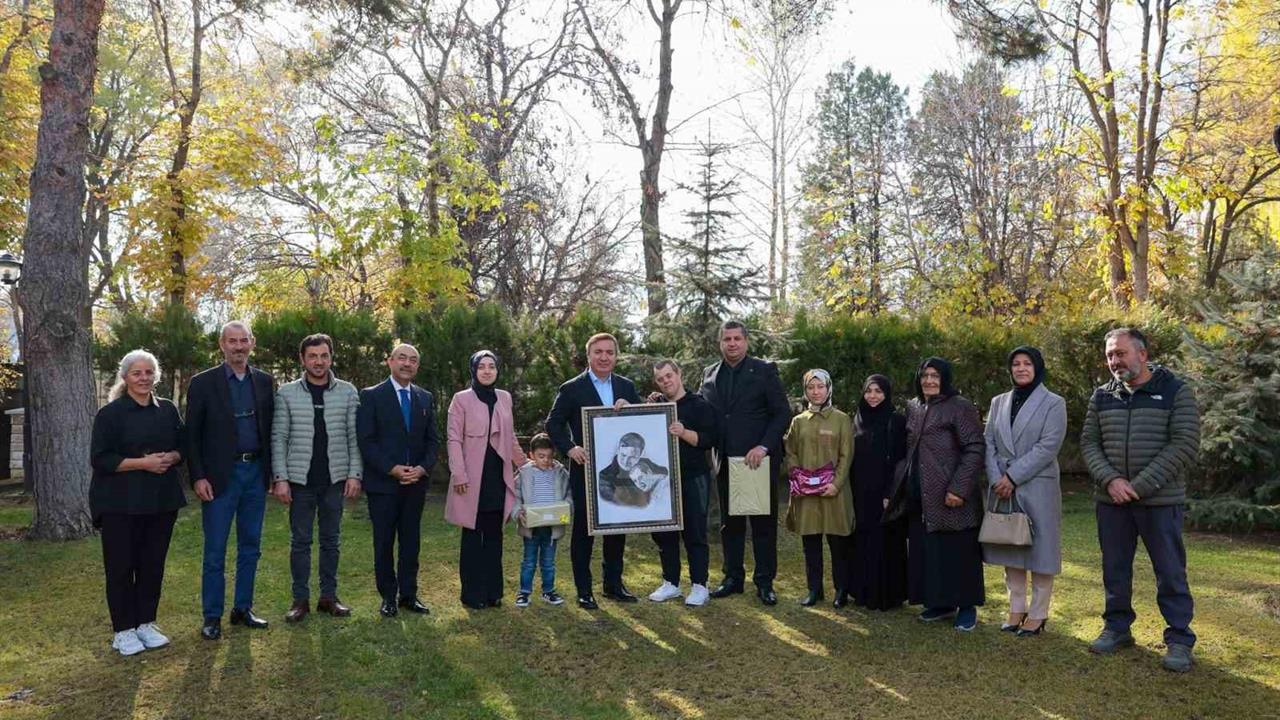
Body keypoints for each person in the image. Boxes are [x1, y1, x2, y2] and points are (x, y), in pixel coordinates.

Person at [1081, 328, 1200, 672]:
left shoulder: (1175, 391)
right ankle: (1117, 628)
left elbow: (1184, 444)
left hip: (1160, 502)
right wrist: (1111, 480)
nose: (1114, 361)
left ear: (1142, 354)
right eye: (1110, 355)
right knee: (1114, 569)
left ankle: (1179, 639)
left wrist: (1138, 486)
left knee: (1170, 571)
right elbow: (1089, 443)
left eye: (1120, 353)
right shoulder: (1102, 396)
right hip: (1112, 501)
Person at [90, 350, 186, 656]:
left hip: (161, 502)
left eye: (148, 372)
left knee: (152, 565)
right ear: (125, 377)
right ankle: (123, 631)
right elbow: (101, 459)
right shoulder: (110, 414)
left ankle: (145, 623)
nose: (143, 378)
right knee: (121, 567)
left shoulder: (167, 410)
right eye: (137, 373)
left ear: (156, 376)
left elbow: (183, 447)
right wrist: (143, 463)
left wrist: (171, 457)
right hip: (120, 504)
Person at [186, 320, 275, 640]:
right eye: (232, 341)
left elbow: (271, 429)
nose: (238, 346)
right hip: (220, 477)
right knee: (215, 550)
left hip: (255, 473)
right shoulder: (202, 383)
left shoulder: (264, 381)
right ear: (222, 345)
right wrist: (198, 476)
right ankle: (212, 616)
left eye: (243, 340)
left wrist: (272, 474)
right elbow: (192, 435)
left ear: (252, 343)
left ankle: (243, 608)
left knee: (251, 546)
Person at [545, 332, 643, 609]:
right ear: (588, 355)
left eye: (609, 352)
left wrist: (632, 408)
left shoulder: (626, 386)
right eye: (598, 352)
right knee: (584, 531)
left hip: (619, 472)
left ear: (616, 356)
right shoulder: (572, 388)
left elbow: (641, 422)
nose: (604, 357)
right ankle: (584, 590)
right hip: (585, 469)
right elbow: (553, 424)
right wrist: (570, 448)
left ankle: (613, 585)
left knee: (617, 527)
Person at [271, 333, 362, 622]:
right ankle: (300, 600)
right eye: (312, 356)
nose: (319, 361)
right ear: (303, 359)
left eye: (324, 356)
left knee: (331, 541)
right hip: (300, 482)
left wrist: (354, 474)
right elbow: (278, 438)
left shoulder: (348, 392)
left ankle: (329, 597)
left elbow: (354, 437)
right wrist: (280, 478)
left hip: (335, 480)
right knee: (300, 542)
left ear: (331, 357)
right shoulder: (286, 393)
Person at [889, 357, 986, 631]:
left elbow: (975, 447)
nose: (929, 380)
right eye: (924, 375)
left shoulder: (959, 406)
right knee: (931, 552)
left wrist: (958, 488)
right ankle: (941, 603)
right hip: (921, 494)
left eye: (935, 375)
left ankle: (966, 607)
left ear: (945, 379)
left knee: (959, 551)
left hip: (952, 494)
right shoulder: (914, 406)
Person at [700, 320, 791, 606]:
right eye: (727, 339)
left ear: (746, 341)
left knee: (762, 525)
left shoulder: (764, 371)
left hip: (756, 462)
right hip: (725, 461)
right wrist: (662, 399)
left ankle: (764, 582)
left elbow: (782, 413)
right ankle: (733, 578)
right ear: (720, 343)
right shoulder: (709, 374)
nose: (732, 343)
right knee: (730, 525)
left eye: (737, 338)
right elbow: (699, 410)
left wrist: (764, 446)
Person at [983, 347, 1067, 637]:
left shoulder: (1054, 403)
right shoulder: (998, 402)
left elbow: (1048, 446)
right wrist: (997, 478)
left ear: (1037, 367)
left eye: (1027, 363)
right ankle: (1016, 608)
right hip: (1002, 487)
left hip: (1037, 485)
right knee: (1011, 548)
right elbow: (988, 442)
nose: (1021, 368)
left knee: (1041, 552)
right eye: (1016, 364)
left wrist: (1013, 476)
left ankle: (1038, 613)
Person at [357, 343, 440, 617]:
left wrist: (422, 468)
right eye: (402, 358)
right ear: (390, 361)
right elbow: (366, 441)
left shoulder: (425, 398)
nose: (407, 363)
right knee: (383, 543)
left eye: (413, 360)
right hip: (383, 484)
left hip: (415, 484)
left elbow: (433, 441)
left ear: (417, 366)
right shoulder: (371, 396)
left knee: (410, 542)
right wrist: (391, 468)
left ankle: (409, 595)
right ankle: (388, 597)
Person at [445, 350, 523, 609]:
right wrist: (458, 473)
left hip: (497, 476)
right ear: (474, 370)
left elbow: (510, 436)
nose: (487, 371)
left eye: (492, 366)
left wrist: (525, 464)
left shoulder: (504, 397)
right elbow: (453, 438)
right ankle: (472, 594)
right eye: (482, 366)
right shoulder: (461, 399)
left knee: (494, 536)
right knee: (472, 536)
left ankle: (493, 592)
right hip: (470, 478)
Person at [646, 359, 719, 607]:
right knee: (664, 532)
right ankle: (671, 583)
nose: (665, 381)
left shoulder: (699, 405)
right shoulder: (656, 405)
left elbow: (710, 439)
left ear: (679, 374)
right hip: (662, 481)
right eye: (660, 379)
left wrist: (684, 432)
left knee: (695, 532)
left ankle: (700, 585)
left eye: (669, 375)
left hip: (693, 477)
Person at [783, 369, 855, 608]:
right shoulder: (798, 421)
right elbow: (791, 451)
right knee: (810, 543)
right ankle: (814, 589)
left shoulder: (842, 419)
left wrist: (836, 484)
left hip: (834, 492)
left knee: (838, 544)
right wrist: (797, 475)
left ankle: (841, 589)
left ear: (828, 388)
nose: (816, 392)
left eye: (820, 387)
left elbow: (846, 454)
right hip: (807, 494)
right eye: (811, 387)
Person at [848, 374, 909, 611]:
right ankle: (863, 592)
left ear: (887, 394)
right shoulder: (856, 420)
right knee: (863, 541)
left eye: (878, 391)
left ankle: (888, 595)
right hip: (860, 493)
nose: (872, 396)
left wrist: (890, 493)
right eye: (868, 391)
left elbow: (901, 461)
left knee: (887, 543)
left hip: (886, 495)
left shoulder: (896, 421)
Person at [511, 433, 571, 608]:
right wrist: (518, 512)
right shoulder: (524, 473)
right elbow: (515, 496)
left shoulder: (560, 473)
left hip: (552, 527)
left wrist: (567, 507)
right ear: (531, 455)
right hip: (531, 527)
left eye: (549, 456)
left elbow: (569, 493)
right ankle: (524, 592)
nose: (546, 460)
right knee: (529, 561)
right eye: (541, 456)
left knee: (548, 562)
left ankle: (548, 591)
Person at [598, 432, 669, 507]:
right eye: (623, 455)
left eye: (632, 457)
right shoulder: (604, 477)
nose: (626, 461)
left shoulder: (646, 463)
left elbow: (667, 473)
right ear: (618, 450)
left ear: (640, 455)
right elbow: (621, 505)